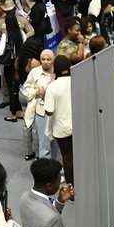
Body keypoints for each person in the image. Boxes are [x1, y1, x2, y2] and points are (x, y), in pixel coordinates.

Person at [23, 48, 57, 162]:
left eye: (48, 59)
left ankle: (54, 164)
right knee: (44, 142)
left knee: (54, 143)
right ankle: (45, 167)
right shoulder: (34, 72)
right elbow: (26, 89)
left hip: (55, 111)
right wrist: (36, 92)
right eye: (43, 59)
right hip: (41, 110)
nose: (46, 62)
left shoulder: (56, 72)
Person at [44, 55, 74, 184]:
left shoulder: (53, 87)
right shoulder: (77, 81)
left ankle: (72, 188)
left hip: (62, 128)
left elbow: (49, 111)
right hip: (78, 125)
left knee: (67, 158)